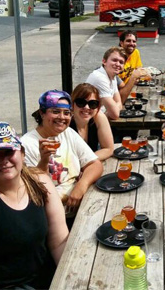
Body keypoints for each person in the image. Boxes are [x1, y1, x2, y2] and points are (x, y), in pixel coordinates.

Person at [0, 121, 69, 289]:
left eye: (8, 152)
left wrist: (71, 278)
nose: (3, 160)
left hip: (46, 281)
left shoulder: (40, 182)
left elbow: (59, 242)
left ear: (22, 153)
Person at [21, 90, 103, 221]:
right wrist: (44, 160)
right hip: (54, 217)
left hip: (83, 207)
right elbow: (35, 191)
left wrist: (81, 186)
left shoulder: (68, 133)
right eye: (55, 111)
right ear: (42, 113)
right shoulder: (27, 144)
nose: (62, 117)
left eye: (67, 113)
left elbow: (95, 164)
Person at [70, 83, 114, 161]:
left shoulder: (98, 117)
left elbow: (108, 149)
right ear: (72, 104)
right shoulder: (66, 123)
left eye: (92, 104)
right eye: (81, 102)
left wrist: (87, 160)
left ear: (98, 107)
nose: (86, 107)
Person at [86, 47, 127, 120]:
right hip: (89, 122)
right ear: (104, 61)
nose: (118, 64)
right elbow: (115, 114)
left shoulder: (112, 76)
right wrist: (111, 111)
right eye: (114, 60)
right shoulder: (100, 78)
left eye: (121, 62)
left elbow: (119, 102)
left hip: (99, 117)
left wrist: (111, 111)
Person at [117, 31, 150, 103]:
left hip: (130, 89)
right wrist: (134, 77)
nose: (132, 44)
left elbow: (139, 70)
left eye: (134, 41)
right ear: (121, 43)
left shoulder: (135, 52)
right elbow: (119, 97)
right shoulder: (117, 61)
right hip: (117, 96)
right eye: (128, 41)